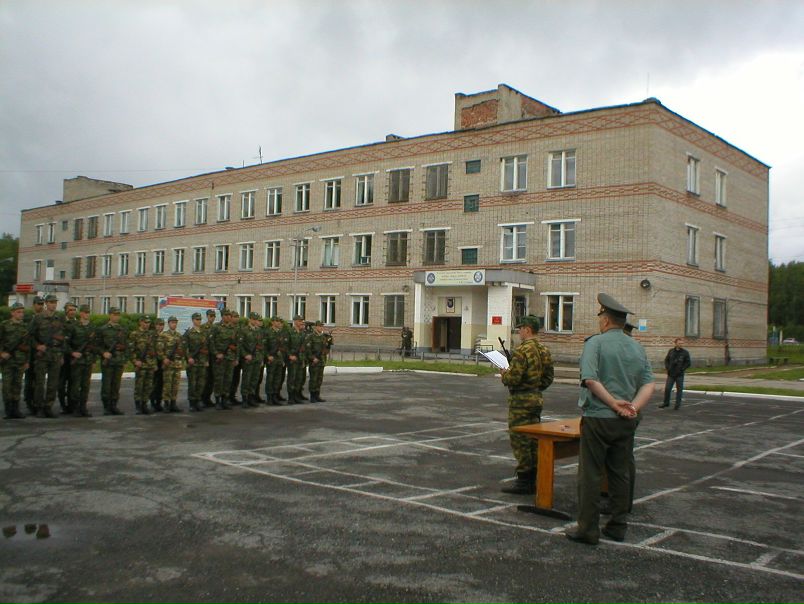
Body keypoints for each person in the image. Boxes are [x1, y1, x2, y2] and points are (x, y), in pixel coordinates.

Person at [565, 293, 655, 546]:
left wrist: (612, 403)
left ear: (605, 320)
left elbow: (591, 380)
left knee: (591, 475)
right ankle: (618, 525)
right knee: (620, 472)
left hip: (598, 417)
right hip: (626, 420)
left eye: (601, 318)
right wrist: (631, 408)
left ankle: (588, 529)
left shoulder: (596, 343)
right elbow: (649, 384)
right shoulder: (636, 346)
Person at [499, 315, 554, 494]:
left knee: (520, 440)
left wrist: (504, 373)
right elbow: (548, 377)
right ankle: (535, 476)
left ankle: (525, 480)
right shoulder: (543, 349)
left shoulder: (522, 350)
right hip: (535, 399)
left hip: (520, 402)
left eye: (521, 328)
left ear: (527, 330)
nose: (519, 331)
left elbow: (513, 378)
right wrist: (535, 388)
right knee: (533, 440)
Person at [30, 294, 67, 418]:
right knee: (40, 382)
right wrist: (37, 346)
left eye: (55, 302)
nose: (53, 304)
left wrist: (61, 354)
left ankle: (48, 406)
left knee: (53, 382)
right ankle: (39, 407)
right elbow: (30, 336)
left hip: (55, 353)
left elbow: (63, 338)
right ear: (46, 303)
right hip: (43, 354)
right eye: (51, 302)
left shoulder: (60, 317)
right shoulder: (38, 318)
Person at [1, 302, 30, 419]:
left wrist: (27, 361)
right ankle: (8, 410)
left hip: (20, 360)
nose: (21, 314)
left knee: (17, 385)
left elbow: (28, 346)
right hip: (7, 360)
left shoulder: (25, 327)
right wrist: (2, 353)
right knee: (7, 386)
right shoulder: (4, 325)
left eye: (22, 312)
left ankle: (16, 409)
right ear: (12, 313)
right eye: (18, 312)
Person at [66, 304, 96, 417]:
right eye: (85, 312)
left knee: (85, 385)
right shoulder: (74, 326)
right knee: (75, 385)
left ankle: (83, 406)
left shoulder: (92, 327)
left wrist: (93, 360)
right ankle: (75, 407)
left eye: (88, 312)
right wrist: (72, 353)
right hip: (77, 361)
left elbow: (95, 345)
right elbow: (66, 343)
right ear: (81, 313)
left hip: (88, 360)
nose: (87, 314)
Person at [97, 307, 128, 415]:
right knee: (106, 385)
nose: (116, 317)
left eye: (118, 315)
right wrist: (103, 353)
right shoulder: (103, 329)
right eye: (114, 314)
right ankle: (106, 406)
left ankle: (114, 405)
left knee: (116, 385)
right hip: (108, 361)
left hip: (118, 360)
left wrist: (125, 359)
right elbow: (97, 345)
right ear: (110, 315)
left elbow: (126, 345)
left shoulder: (122, 330)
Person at [209, 309, 238, 410]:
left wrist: (236, 358)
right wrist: (216, 354)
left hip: (230, 357)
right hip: (220, 358)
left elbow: (236, 344)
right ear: (222, 316)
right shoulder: (216, 327)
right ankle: (217, 401)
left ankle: (225, 400)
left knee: (228, 379)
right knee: (218, 380)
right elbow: (211, 342)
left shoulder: (233, 328)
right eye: (226, 315)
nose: (228, 317)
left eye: (229, 315)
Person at [158, 316, 185, 412]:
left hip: (177, 364)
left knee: (175, 385)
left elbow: (182, 349)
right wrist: (164, 358)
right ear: (169, 324)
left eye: (175, 322)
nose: (174, 324)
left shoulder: (179, 335)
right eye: (172, 322)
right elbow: (160, 349)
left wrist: (181, 353)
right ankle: (166, 404)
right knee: (167, 385)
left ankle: (173, 403)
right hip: (168, 364)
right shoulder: (164, 335)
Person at [23, 295, 45, 414]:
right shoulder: (28, 318)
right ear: (34, 305)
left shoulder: (44, 318)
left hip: (40, 354)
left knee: (38, 380)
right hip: (29, 352)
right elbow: (27, 336)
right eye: (38, 304)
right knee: (29, 379)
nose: (40, 306)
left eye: (42, 304)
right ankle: (29, 401)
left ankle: (37, 402)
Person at [183, 312, 209, 412]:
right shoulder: (189, 333)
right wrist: (188, 358)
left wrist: (206, 360)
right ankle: (192, 403)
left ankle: (198, 400)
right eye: (197, 319)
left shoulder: (204, 333)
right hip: (193, 362)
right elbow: (185, 347)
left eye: (199, 319)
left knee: (201, 383)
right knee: (192, 383)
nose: (198, 321)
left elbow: (206, 348)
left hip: (202, 361)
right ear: (193, 320)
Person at [238, 312, 264, 408]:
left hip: (257, 358)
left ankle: (251, 397)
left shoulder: (259, 331)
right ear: (250, 319)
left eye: (256, 319)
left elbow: (261, 346)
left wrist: (261, 358)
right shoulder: (244, 330)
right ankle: (244, 399)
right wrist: (245, 355)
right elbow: (240, 346)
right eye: (254, 319)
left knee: (254, 379)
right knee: (247, 379)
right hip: (248, 359)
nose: (255, 321)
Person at [58, 302, 78, 414]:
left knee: (73, 382)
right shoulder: (61, 323)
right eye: (70, 310)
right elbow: (61, 341)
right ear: (65, 311)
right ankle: (62, 405)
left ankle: (71, 405)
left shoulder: (77, 323)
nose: (72, 312)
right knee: (61, 384)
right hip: (63, 357)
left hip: (74, 358)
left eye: (74, 310)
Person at [661, 338, 691, 410]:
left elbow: (688, 363)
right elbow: (666, 360)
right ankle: (666, 403)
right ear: (675, 343)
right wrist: (667, 367)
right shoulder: (671, 351)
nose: (681, 344)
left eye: (682, 343)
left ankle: (677, 405)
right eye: (679, 343)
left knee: (679, 390)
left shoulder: (685, 352)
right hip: (671, 374)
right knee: (667, 388)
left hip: (679, 374)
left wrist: (682, 369)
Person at [264, 316, 287, 405]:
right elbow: (264, 346)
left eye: (279, 321)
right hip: (272, 358)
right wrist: (267, 356)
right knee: (271, 378)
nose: (278, 323)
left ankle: (275, 396)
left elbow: (283, 346)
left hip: (279, 358)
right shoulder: (268, 332)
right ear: (272, 322)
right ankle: (269, 397)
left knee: (277, 378)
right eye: (276, 321)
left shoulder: (280, 333)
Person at [285, 315, 308, 404]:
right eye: (299, 321)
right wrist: (290, 355)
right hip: (292, 359)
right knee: (292, 378)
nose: (301, 322)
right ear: (294, 321)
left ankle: (296, 396)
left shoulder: (302, 333)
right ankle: (291, 397)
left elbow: (303, 347)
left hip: (300, 358)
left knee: (299, 378)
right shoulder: (290, 332)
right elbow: (285, 346)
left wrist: (303, 359)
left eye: (302, 320)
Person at [307, 321, 332, 402]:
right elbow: (308, 349)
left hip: (321, 361)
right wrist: (312, 358)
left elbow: (327, 349)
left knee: (319, 379)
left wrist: (329, 342)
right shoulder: (311, 336)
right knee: (313, 379)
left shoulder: (323, 337)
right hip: (314, 361)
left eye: (322, 326)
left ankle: (317, 395)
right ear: (315, 327)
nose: (321, 328)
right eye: (320, 326)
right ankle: (312, 396)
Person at [200, 309, 217, 407]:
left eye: (214, 316)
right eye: (210, 316)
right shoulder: (203, 328)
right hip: (206, 356)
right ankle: (202, 398)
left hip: (213, 357)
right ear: (207, 316)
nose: (212, 318)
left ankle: (208, 398)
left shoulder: (215, 328)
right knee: (204, 378)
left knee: (212, 378)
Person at [149, 318, 166, 412]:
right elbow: (152, 351)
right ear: (155, 325)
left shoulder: (164, 336)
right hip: (154, 362)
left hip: (162, 362)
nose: (160, 327)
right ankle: (152, 402)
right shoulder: (152, 336)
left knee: (161, 384)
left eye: (162, 325)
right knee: (153, 384)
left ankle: (159, 403)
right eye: (159, 325)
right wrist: (154, 363)